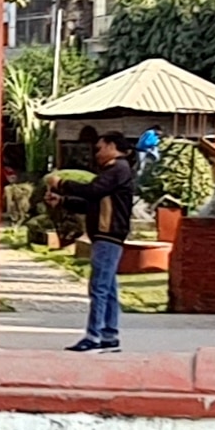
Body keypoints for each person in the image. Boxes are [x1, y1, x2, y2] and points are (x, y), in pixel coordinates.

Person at [72, 132, 136, 353]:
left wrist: (62, 184)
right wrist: (63, 201)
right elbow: (93, 202)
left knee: (99, 286)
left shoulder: (118, 168)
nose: (97, 153)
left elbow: (93, 190)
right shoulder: (114, 171)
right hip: (105, 235)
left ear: (111, 146)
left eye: (99, 148)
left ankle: (94, 335)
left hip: (109, 235)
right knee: (108, 288)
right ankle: (109, 334)